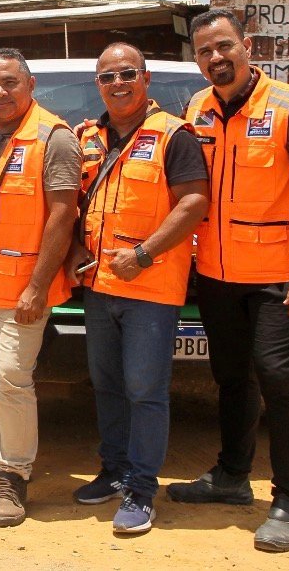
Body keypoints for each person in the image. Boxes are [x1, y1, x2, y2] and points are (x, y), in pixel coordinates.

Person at [168, 8, 289, 553]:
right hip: (217, 276)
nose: (216, 58)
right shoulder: (197, 109)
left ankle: (288, 499)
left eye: (224, 46)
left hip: (277, 279)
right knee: (231, 378)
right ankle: (231, 477)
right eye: (204, 52)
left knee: (281, 383)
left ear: (246, 45)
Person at [66, 44, 209, 535]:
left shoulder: (174, 135)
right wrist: (70, 255)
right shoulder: (87, 136)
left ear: (145, 79)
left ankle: (143, 489)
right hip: (99, 286)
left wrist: (144, 254)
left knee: (145, 390)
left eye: (128, 73)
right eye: (108, 76)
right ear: (98, 84)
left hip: (150, 287)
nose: (118, 82)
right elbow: (77, 205)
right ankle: (114, 470)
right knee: (106, 385)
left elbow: (194, 202)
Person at [0, 47, 79, 528]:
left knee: (10, 375)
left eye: (9, 83)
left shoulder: (55, 137)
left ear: (30, 86)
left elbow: (63, 214)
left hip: (24, 285)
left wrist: (38, 287)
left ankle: (14, 477)